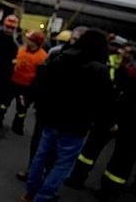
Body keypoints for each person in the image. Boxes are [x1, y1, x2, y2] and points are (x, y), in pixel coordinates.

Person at [22, 29, 116, 202]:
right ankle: (43, 197)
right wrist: (108, 122)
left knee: (41, 156)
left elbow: (44, 82)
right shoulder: (100, 70)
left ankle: (31, 191)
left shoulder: (63, 58)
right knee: (62, 164)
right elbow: (106, 101)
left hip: (51, 119)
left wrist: (38, 105)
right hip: (76, 126)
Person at [65, 47, 136, 202]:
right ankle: (107, 191)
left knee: (94, 150)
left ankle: (78, 179)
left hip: (115, 117)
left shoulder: (129, 72)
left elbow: (117, 95)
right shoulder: (128, 71)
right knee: (122, 159)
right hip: (128, 123)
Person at [15, 26, 87, 182]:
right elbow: (41, 79)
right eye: (73, 38)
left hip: (71, 116)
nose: (74, 42)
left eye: (78, 40)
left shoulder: (90, 62)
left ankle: (47, 178)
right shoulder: (56, 53)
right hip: (47, 110)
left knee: (57, 151)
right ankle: (32, 171)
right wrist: (31, 98)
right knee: (38, 143)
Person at [7, 30, 48, 136]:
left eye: (29, 39)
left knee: (22, 108)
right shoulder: (21, 49)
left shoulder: (42, 56)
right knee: (4, 103)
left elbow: (41, 75)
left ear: (35, 42)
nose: (26, 40)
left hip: (26, 87)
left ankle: (17, 126)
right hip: (13, 82)